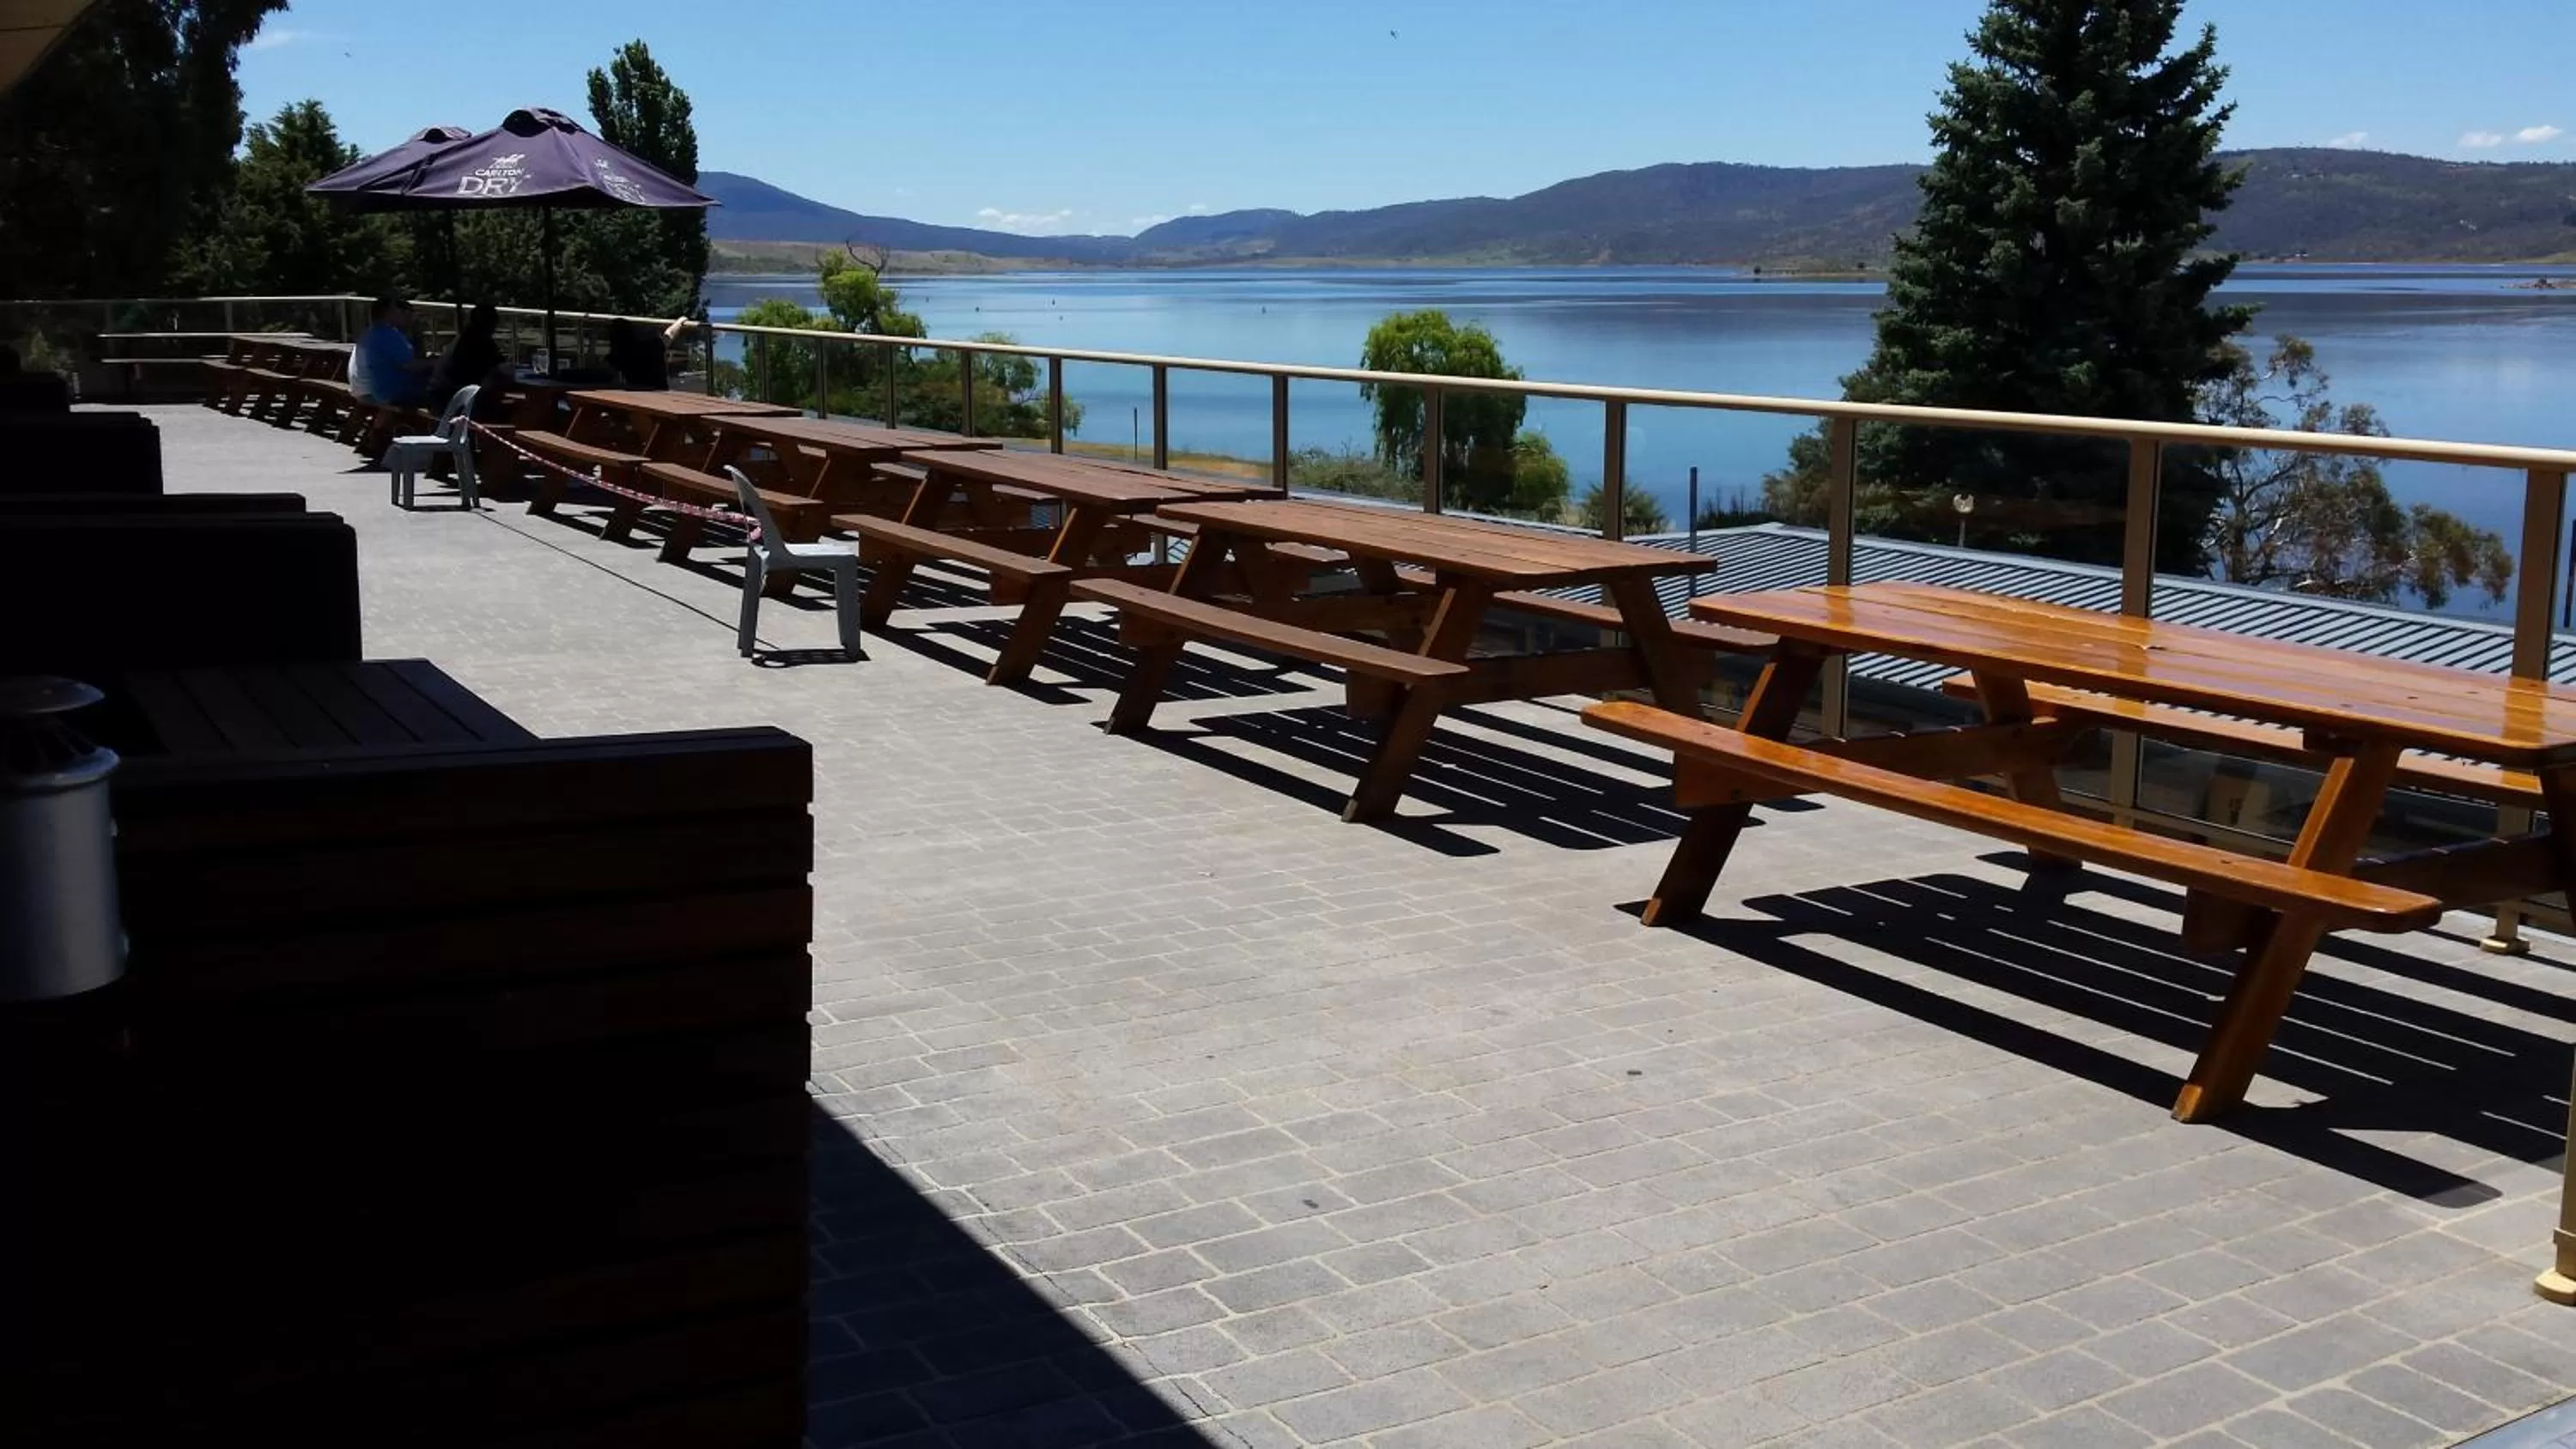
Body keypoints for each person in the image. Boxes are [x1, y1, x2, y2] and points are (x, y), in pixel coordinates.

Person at [350, 296, 430, 406]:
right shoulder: (387, 335)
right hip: (390, 393)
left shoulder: (374, 332)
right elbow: (409, 365)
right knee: (440, 393)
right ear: (388, 313)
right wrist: (437, 362)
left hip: (374, 390)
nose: (400, 313)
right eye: (397, 310)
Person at [428, 303, 505, 412]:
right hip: (453, 400)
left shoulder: (463, 339)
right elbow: (501, 367)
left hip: (437, 396)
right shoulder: (480, 342)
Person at [605, 314, 696, 391]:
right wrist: (680, 321)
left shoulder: (617, 356)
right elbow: (669, 335)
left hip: (637, 396)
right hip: (659, 394)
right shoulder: (650, 347)